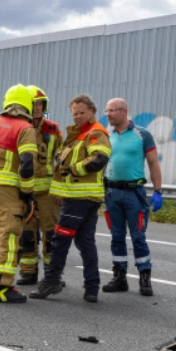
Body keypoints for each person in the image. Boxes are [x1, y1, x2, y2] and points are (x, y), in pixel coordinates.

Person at [30, 94, 111, 303]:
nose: (78, 116)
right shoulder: (77, 134)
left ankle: (51, 281)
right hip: (79, 197)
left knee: (60, 240)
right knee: (85, 243)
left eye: (82, 112)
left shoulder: (94, 133)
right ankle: (92, 289)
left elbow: (99, 159)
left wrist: (75, 169)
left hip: (80, 198)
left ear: (92, 111)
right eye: (74, 113)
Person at [0, 85, 39, 303]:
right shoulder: (25, 128)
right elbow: (28, 163)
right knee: (10, 238)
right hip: (9, 190)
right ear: (27, 105)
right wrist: (27, 192)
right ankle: (3, 287)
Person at [102, 97, 164, 296]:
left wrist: (158, 191)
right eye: (107, 111)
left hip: (134, 193)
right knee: (117, 237)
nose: (109, 114)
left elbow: (154, 163)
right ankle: (119, 277)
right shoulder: (105, 134)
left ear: (124, 111)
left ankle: (145, 279)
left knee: (138, 236)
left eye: (112, 110)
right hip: (111, 192)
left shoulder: (142, 134)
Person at [16, 85, 63, 286]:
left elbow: (62, 158)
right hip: (25, 191)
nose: (37, 108)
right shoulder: (19, 127)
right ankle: (28, 272)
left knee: (52, 235)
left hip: (49, 193)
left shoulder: (53, 129)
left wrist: (61, 187)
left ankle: (52, 275)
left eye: (40, 104)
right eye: (34, 103)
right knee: (26, 234)